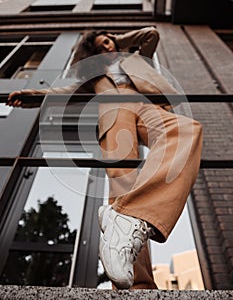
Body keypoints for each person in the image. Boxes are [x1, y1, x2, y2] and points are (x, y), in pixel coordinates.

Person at [7, 27, 203, 290]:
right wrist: (29, 96)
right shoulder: (92, 76)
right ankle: (137, 284)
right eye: (101, 47)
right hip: (114, 114)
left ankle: (130, 218)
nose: (107, 47)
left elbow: (151, 34)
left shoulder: (134, 56)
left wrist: (116, 41)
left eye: (109, 41)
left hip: (147, 106)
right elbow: (62, 92)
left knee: (187, 130)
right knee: (124, 188)